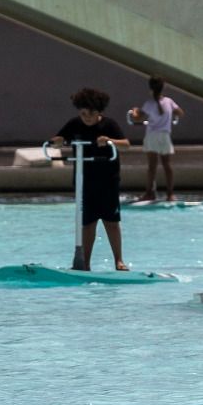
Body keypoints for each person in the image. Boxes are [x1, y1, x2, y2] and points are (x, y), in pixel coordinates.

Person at [49, 86, 132, 270]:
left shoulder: (109, 125)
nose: (87, 117)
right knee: (87, 223)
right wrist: (58, 140)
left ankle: (119, 260)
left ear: (99, 112)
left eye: (91, 114)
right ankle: (84, 263)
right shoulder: (74, 124)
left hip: (108, 180)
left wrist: (110, 141)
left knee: (111, 221)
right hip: (84, 181)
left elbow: (126, 145)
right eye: (83, 113)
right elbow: (60, 137)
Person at [126, 76, 183, 202]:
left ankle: (149, 193)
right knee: (167, 165)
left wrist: (135, 110)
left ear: (150, 89)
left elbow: (137, 118)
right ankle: (170, 194)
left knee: (152, 166)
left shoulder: (149, 104)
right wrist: (170, 115)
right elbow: (180, 112)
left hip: (152, 136)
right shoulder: (169, 101)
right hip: (165, 135)